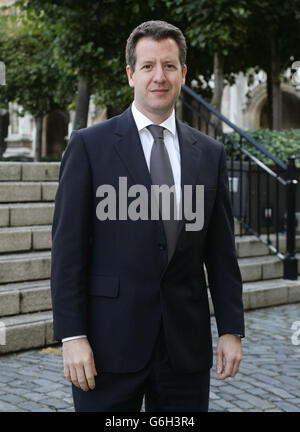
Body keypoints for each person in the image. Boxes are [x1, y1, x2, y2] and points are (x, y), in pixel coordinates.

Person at [50, 20, 245, 412]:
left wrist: (230, 329)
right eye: (148, 66)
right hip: (107, 348)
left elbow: (221, 254)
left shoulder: (209, 153)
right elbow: (67, 251)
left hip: (184, 349)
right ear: (130, 75)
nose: (160, 76)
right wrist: (72, 336)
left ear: (183, 74)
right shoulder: (89, 146)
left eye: (170, 66)